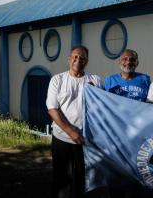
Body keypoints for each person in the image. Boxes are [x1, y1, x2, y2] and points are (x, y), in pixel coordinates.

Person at [47, 45, 103, 198]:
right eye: (75, 56)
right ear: (69, 59)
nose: (78, 60)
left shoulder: (95, 80)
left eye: (82, 57)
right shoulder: (57, 80)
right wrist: (71, 131)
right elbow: (52, 109)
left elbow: (101, 108)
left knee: (81, 180)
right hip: (62, 138)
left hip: (85, 140)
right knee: (61, 179)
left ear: (87, 61)